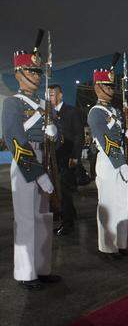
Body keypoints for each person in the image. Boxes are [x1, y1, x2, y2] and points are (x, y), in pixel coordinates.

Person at [3, 42, 60, 289]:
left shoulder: (44, 105)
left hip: (45, 158)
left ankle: (42, 267)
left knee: (43, 218)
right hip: (26, 162)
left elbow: (56, 140)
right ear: (18, 73)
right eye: (31, 71)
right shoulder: (12, 103)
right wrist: (36, 172)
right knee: (26, 219)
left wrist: (54, 133)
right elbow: (13, 139)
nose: (36, 76)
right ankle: (26, 273)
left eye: (38, 72)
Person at [87, 66, 128, 260]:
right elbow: (105, 140)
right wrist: (121, 163)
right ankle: (108, 246)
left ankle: (120, 243)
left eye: (112, 86)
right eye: (106, 85)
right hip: (108, 160)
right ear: (97, 87)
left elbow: (119, 136)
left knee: (122, 203)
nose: (111, 89)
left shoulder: (115, 110)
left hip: (120, 157)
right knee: (107, 204)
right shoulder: (95, 112)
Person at [49, 84, 84, 236]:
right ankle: (69, 214)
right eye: (48, 95)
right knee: (58, 190)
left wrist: (75, 156)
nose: (50, 97)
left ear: (61, 95)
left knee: (64, 191)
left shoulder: (71, 111)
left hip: (67, 157)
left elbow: (79, 135)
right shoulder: (48, 114)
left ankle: (67, 223)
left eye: (52, 94)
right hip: (53, 158)